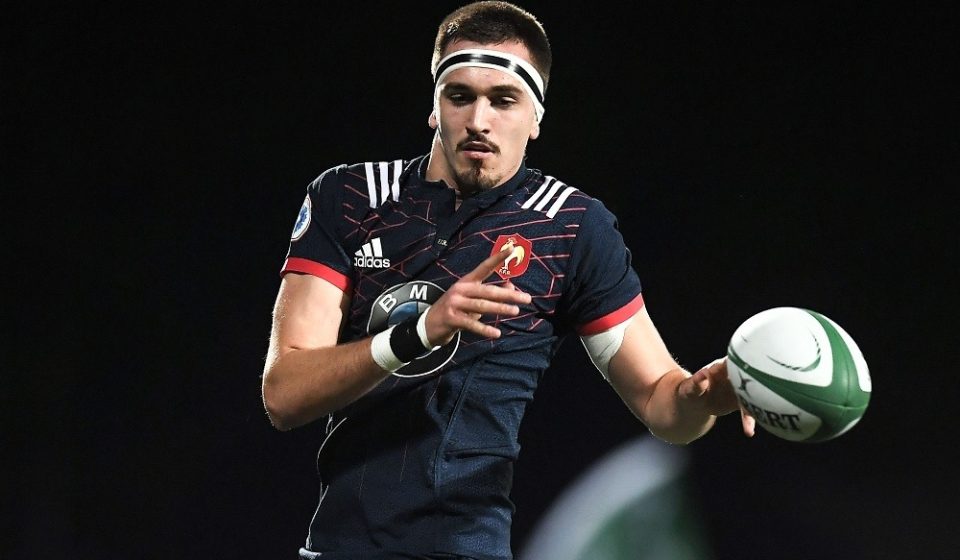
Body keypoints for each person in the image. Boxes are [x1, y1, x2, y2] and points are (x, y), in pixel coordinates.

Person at [261, 2, 755, 558]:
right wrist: (417, 332)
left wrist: (705, 395)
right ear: (433, 108)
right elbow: (284, 394)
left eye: (503, 100)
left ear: (536, 117)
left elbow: (664, 404)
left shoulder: (571, 227)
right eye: (460, 96)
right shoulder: (350, 198)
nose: (479, 119)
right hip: (339, 549)